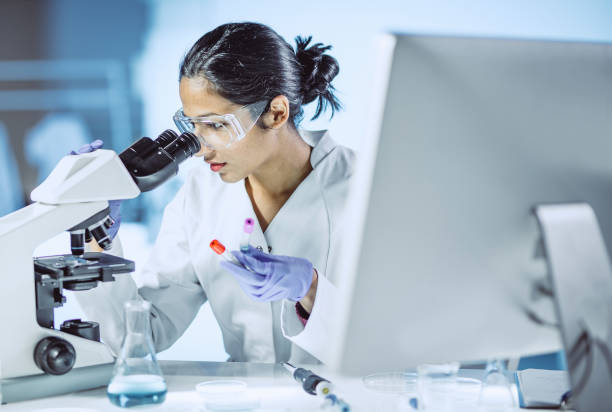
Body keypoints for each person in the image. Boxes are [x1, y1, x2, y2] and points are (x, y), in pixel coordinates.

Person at [76, 22, 354, 365]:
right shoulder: (199, 195)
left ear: (276, 112)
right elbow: (139, 334)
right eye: (192, 125)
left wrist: (311, 290)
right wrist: (97, 237)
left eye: (217, 125)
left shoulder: (363, 188)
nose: (199, 149)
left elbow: (398, 339)